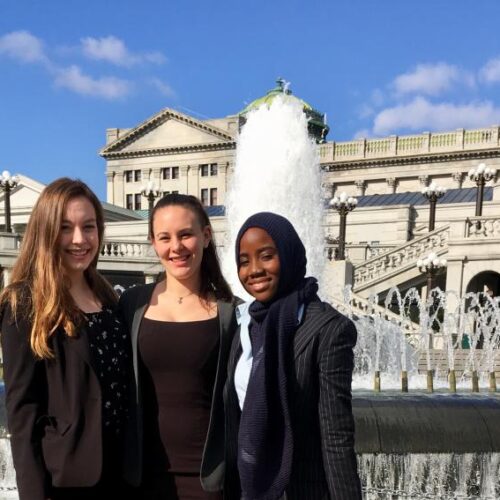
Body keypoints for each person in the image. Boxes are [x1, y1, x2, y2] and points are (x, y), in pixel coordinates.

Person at [0, 178, 137, 500]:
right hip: (68, 480)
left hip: (124, 474)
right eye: (65, 228)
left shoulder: (108, 297)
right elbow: (23, 413)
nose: (80, 239)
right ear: (46, 232)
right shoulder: (24, 302)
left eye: (88, 227)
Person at [224, 212, 362, 500]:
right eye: (244, 261)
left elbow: (336, 437)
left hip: (304, 490)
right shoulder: (245, 326)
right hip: (250, 489)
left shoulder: (329, 329)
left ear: (288, 255)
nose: (254, 270)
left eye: (266, 256)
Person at [118, 193, 237, 499]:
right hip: (141, 477)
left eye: (186, 234)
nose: (176, 247)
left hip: (208, 479)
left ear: (206, 236)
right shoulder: (132, 304)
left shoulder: (230, 311)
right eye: (164, 237)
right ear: (153, 242)